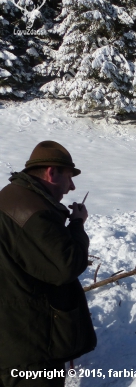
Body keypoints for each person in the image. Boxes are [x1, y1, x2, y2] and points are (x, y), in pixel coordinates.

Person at [0, 141, 97, 386]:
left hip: (12, 333)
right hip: (30, 342)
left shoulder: (12, 197)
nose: (72, 186)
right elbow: (66, 266)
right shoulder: (32, 211)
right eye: (69, 177)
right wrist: (77, 225)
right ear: (51, 172)